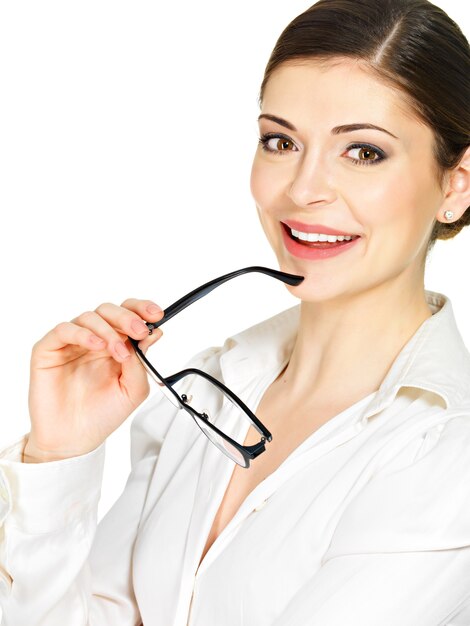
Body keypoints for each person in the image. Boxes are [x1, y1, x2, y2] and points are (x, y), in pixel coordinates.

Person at [1, 0, 470, 624]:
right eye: (280, 141)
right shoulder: (208, 391)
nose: (303, 189)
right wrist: (61, 456)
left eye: (363, 152)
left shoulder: (449, 455)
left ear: (455, 185)